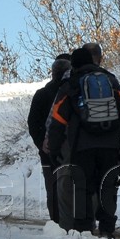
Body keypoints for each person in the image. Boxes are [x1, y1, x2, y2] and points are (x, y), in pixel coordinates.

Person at [47, 45, 120, 236]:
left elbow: (58, 120)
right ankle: (107, 227)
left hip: (82, 146)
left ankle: (85, 228)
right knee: (107, 186)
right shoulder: (110, 81)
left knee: (83, 188)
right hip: (110, 145)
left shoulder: (71, 84)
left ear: (74, 64)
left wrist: (54, 151)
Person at [27, 54, 70, 224]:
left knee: (52, 185)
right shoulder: (72, 91)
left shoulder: (42, 94)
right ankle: (73, 219)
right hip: (69, 146)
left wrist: (40, 144)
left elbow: (33, 122)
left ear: (52, 73)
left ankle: (56, 220)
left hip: (47, 149)